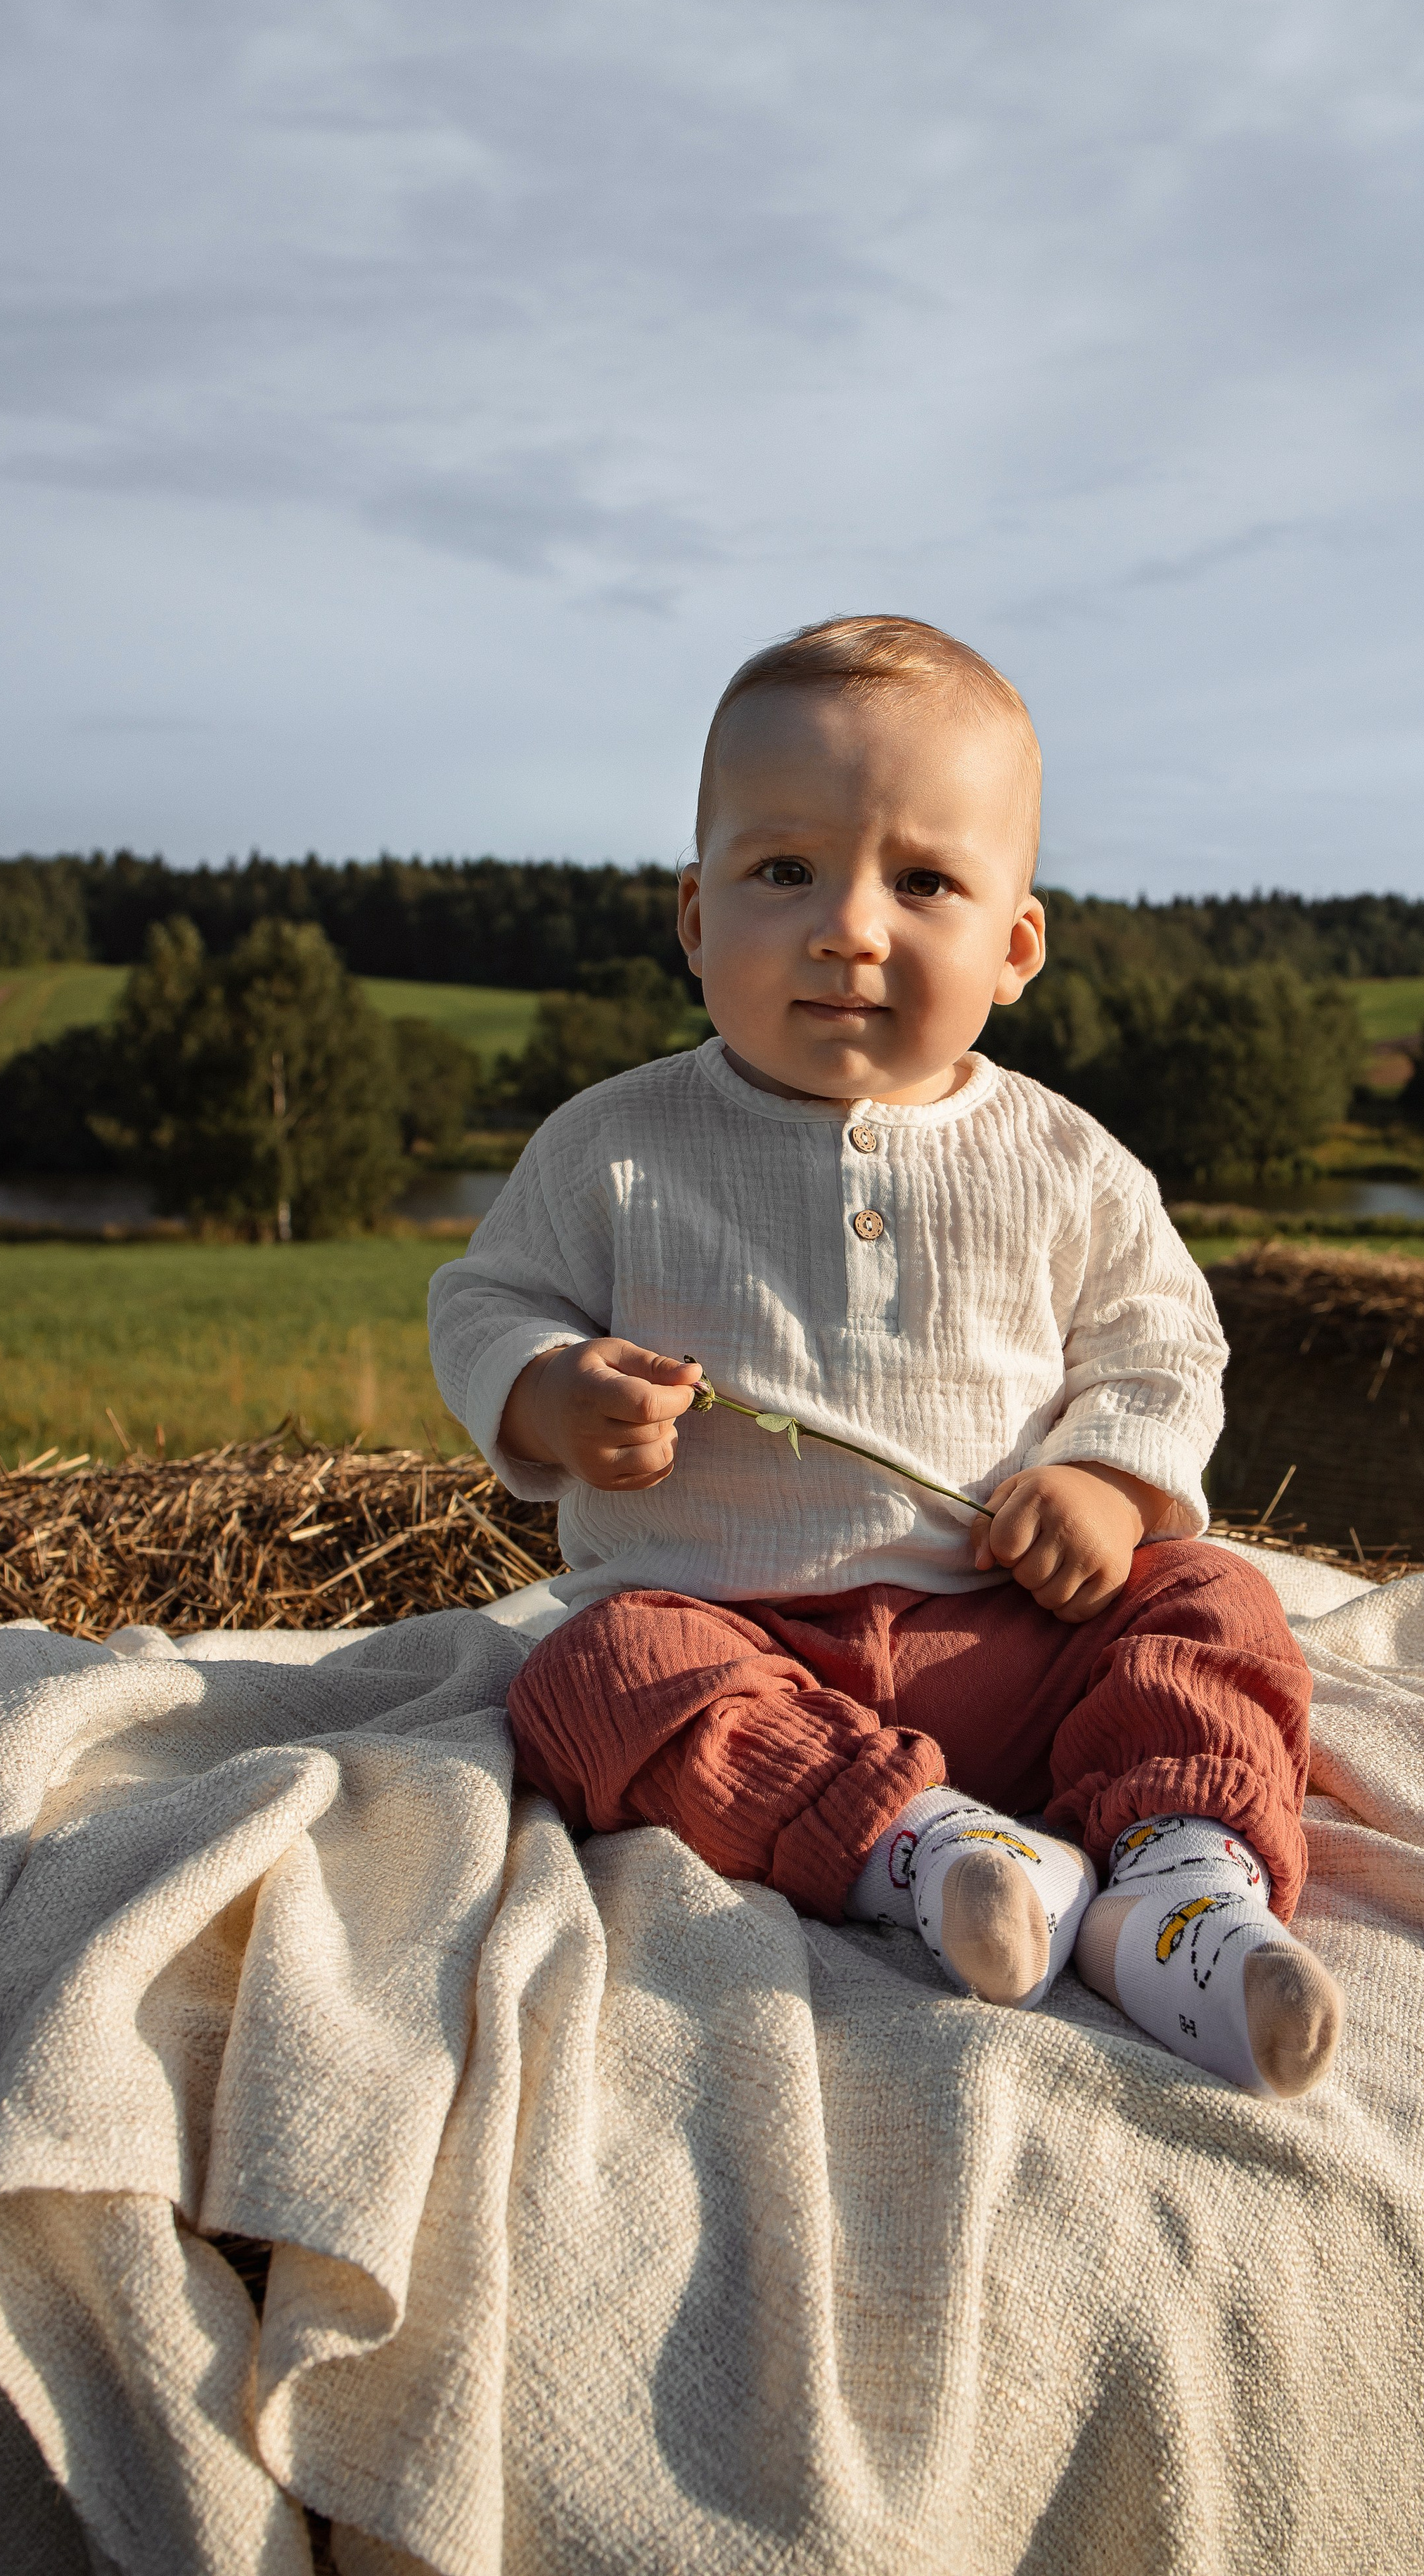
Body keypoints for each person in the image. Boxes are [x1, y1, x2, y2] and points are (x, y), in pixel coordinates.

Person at [428, 616, 1341, 2097]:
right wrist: (543, 1387)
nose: (848, 925)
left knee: (1208, 1602)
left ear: (1015, 945)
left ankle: (1177, 1884)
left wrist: (1106, 1480)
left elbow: (1162, 1343)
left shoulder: (1063, 1161)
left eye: (921, 882)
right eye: (781, 871)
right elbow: (483, 1301)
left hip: (1019, 1639)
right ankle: (932, 1856)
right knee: (591, 1676)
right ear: (694, 918)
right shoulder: (612, 1144)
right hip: (738, 1635)